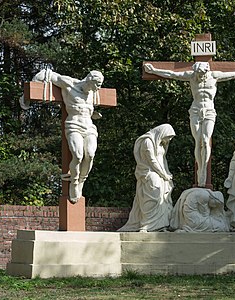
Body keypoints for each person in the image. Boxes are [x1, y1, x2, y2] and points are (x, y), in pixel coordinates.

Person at [144, 62, 235, 187]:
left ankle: (203, 171)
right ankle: (199, 167)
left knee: (206, 141)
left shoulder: (214, 76)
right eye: (198, 74)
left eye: (202, 74)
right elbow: (171, 74)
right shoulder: (191, 76)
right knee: (198, 141)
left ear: (206, 71)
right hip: (195, 110)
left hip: (209, 111)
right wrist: (153, 70)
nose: (200, 77)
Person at [21, 69, 104, 203]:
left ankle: (81, 181)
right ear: (89, 79)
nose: (98, 88)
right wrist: (32, 86)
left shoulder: (93, 93)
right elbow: (47, 74)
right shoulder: (69, 84)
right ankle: (74, 182)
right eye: (97, 84)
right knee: (78, 155)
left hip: (89, 127)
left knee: (90, 154)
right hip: (74, 124)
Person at [118, 124, 175, 232]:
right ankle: (147, 225)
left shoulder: (161, 144)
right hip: (149, 172)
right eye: (169, 136)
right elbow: (152, 160)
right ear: (163, 132)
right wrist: (163, 174)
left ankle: (160, 225)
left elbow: (163, 160)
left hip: (161, 173)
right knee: (153, 196)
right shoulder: (147, 141)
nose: (169, 139)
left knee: (162, 198)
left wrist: (167, 173)